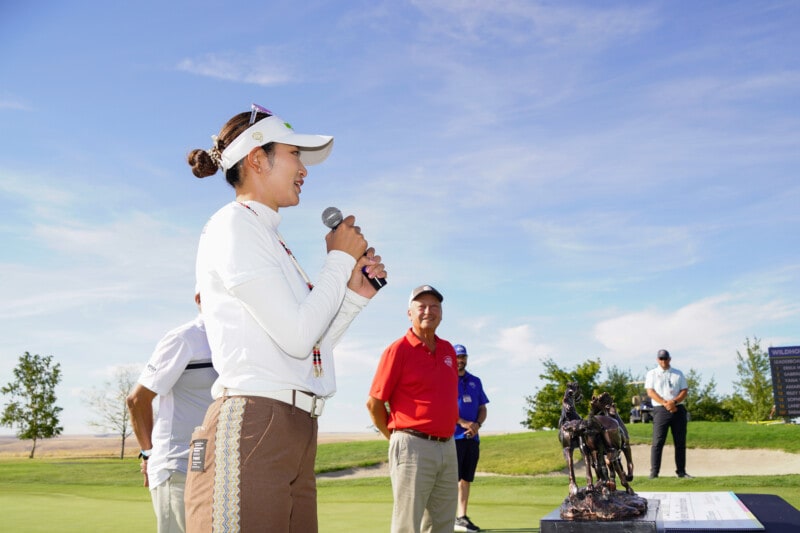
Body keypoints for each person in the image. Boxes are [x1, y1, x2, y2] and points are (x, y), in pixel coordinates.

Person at [183, 104, 386, 533]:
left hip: (295, 425)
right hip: (255, 422)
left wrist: (353, 296)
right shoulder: (234, 225)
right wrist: (338, 260)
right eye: (295, 154)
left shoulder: (267, 236)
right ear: (257, 159)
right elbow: (297, 336)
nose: (304, 170)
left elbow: (310, 346)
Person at [367, 285, 459, 533]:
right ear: (410, 313)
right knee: (408, 525)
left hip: (448, 446)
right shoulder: (398, 350)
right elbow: (374, 403)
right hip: (412, 445)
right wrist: (394, 436)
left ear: (441, 313)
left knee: (443, 524)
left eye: (435, 306)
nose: (429, 311)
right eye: (422, 306)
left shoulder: (448, 350)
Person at [127, 291, 218, 533]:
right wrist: (147, 454)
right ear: (199, 299)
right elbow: (137, 400)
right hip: (178, 468)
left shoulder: (232, 341)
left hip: (216, 470)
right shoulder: (184, 338)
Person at [452, 344, 489, 533]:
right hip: (452, 438)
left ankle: (461, 517)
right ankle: (446, 517)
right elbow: (444, 408)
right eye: (457, 357)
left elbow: (482, 408)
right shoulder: (446, 379)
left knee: (466, 479)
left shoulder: (475, 381)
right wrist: (464, 422)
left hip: (472, 438)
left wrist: (476, 425)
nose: (460, 360)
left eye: (463, 357)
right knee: (451, 480)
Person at [645, 348, 690, 479]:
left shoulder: (678, 373)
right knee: (658, 442)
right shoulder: (652, 373)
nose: (663, 361)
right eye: (661, 358)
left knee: (680, 442)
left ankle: (681, 472)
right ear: (657, 360)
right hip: (660, 410)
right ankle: (654, 473)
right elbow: (650, 392)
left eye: (665, 358)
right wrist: (665, 403)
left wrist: (674, 402)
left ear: (669, 359)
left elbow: (684, 390)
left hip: (678, 409)